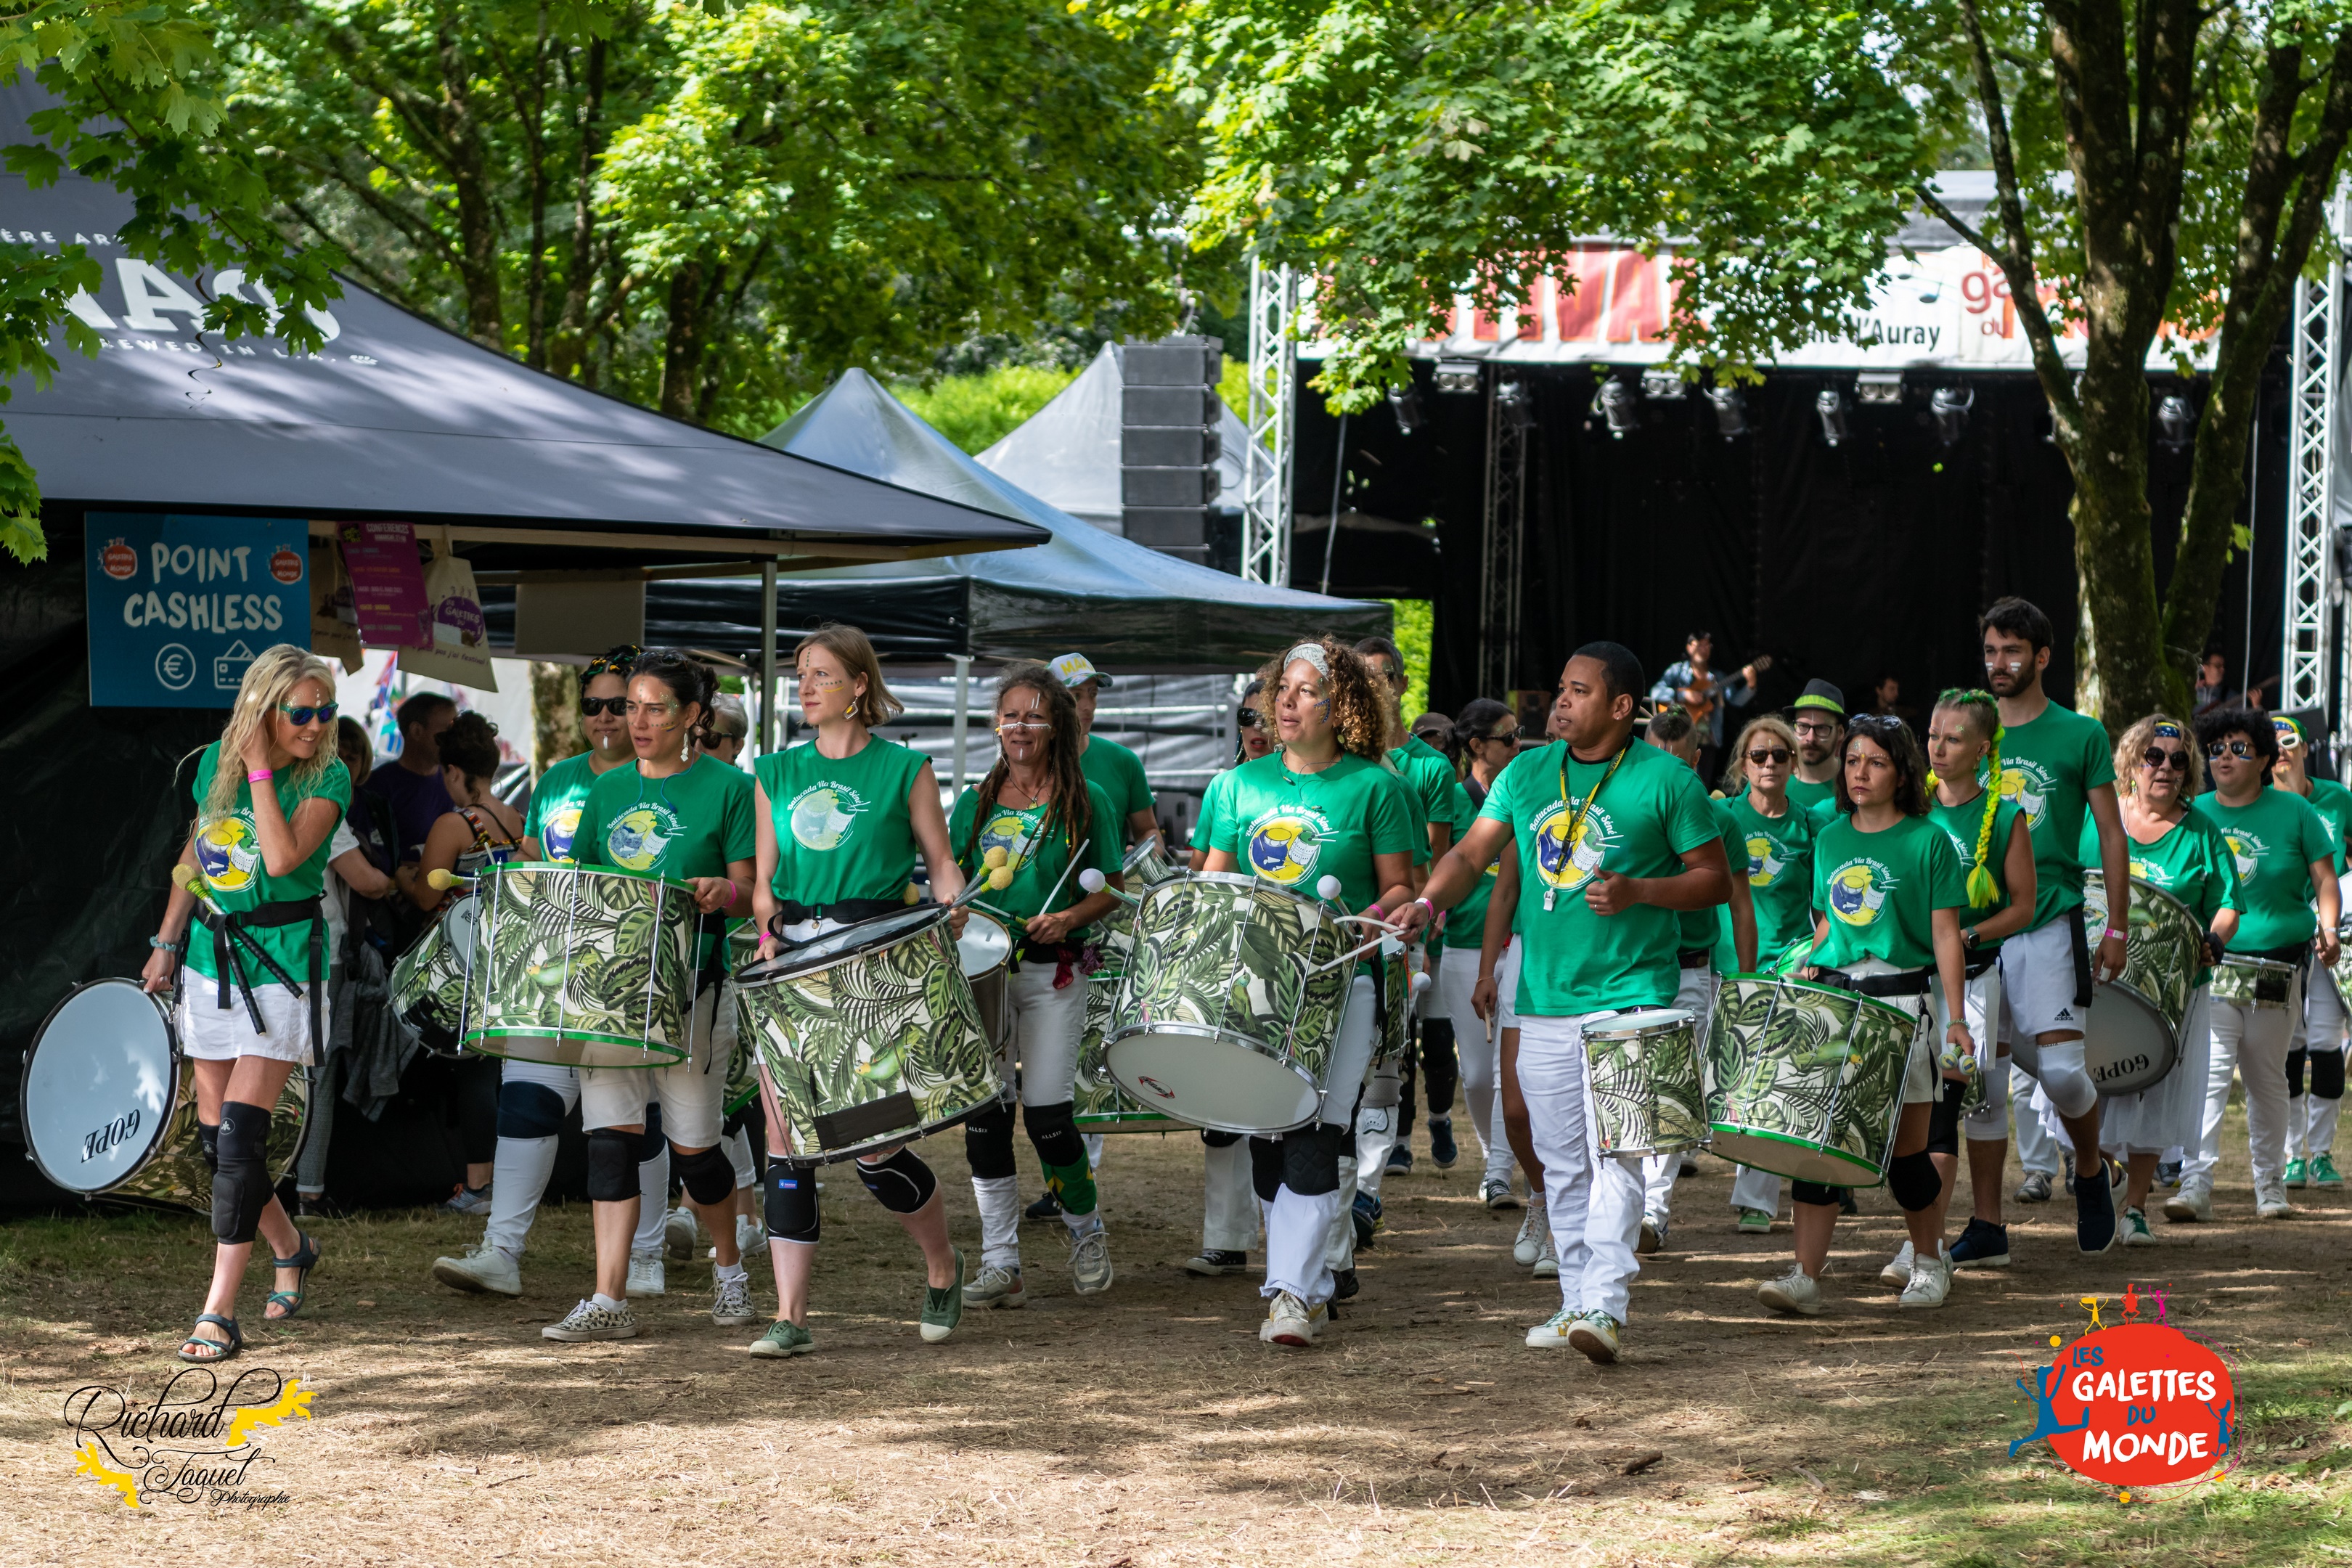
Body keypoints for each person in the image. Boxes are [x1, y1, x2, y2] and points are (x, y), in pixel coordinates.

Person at [1400, 643, 1732, 1363]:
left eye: (1579, 690)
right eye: (1561, 688)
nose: (1560, 701)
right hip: (1544, 999)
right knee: (1561, 1161)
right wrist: (1427, 902)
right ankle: (1577, 1301)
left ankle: (1605, 1306)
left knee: (1621, 1155)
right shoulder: (1525, 773)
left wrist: (1642, 890)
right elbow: (1468, 856)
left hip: (1638, 995)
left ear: (1620, 707)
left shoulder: (1668, 781)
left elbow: (1713, 879)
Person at [746, 624, 970, 1357]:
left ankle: (942, 1264)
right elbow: (765, 884)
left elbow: (940, 864)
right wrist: (770, 933)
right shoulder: (774, 772)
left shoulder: (907, 769)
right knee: (784, 1140)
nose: (806, 687)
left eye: (821, 675)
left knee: (872, 1144)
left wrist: (953, 901)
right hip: (794, 967)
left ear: (859, 687)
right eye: (801, 675)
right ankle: (792, 1315)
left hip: (876, 965)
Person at [430, 648, 680, 1300]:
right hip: (551, 971)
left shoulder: (666, 780)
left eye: (618, 704)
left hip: (630, 974)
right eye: (593, 704)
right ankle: (501, 1252)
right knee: (526, 1099)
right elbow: (538, 865)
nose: (605, 717)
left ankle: (647, 1256)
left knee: (636, 1117)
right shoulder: (558, 780)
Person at [1194, 637, 1417, 1347]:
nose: (1285, 702)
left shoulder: (1375, 787)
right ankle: (1310, 1281)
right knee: (1267, 1133)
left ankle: (1289, 1292)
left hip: (1343, 980)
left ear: (1342, 704)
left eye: (1304, 690)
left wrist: (1383, 917)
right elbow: (1214, 882)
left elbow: (1399, 886)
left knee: (1318, 1126)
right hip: (1257, 985)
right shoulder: (1236, 787)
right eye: (1279, 689)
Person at [539, 650, 758, 1344]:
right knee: (609, 1142)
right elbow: (585, 890)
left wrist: (728, 893)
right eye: (629, 706)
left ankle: (730, 1271)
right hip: (612, 990)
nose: (635, 721)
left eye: (654, 707)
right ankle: (608, 1297)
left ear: (694, 716)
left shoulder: (729, 788)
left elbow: (751, 890)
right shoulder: (604, 791)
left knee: (694, 1150)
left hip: (693, 986)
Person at [141, 646, 351, 1362]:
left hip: (285, 964)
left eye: (325, 711)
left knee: (239, 1141)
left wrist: (262, 768)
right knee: (214, 1144)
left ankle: (218, 1313)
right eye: (302, 712)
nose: (317, 724)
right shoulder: (212, 766)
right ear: (264, 710)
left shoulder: (330, 776)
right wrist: (167, 940)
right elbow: (196, 855)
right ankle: (291, 1247)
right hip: (210, 957)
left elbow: (285, 856)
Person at [1753, 714, 1978, 1315]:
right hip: (1834, 1003)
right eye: (1853, 760)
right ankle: (1805, 1275)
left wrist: (1957, 1019)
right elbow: (1829, 925)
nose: (1860, 772)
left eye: (1876, 762)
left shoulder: (1928, 841)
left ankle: (1929, 1263)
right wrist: (1803, 961)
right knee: (1815, 1142)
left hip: (1903, 1003)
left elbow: (1946, 934)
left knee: (1907, 1154)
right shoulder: (1829, 838)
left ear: (1902, 771)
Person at [947, 663, 1125, 1307]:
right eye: (1011, 714)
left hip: (1055, 972)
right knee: (986, 1118)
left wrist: (1069, 918)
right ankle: (1002, 1262)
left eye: (1034, 715)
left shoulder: (1088, 802)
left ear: (1058, 726)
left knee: (1049, 1118)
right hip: (984, 974)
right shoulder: (973, 801)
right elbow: (953, 883)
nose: (1020, 726)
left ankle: (1085, 1230)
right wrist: (956, 911)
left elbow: (1112, 890)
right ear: (997, 724)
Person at [1976, 596, 2133, 1254]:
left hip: (2049, 917)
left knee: (2066, 1074)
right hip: (1975, 928)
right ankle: (1987, 1227)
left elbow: (2111, 832)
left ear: (2042, 657)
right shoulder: (1970, 729)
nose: (1999, 664)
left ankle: (2093, 1170)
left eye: (2013, 651)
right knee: (1983, 1078)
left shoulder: (2081, 734)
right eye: (1990, 651)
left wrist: (2117, 927)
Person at [2063, 717, 2231, 1242]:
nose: (2166, 768)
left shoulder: (2201, 829)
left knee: (2156, 1091)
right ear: (2131, 763)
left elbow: (2226, 904)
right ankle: (2100, 1180)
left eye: (2179, 760)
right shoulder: (2100, 821)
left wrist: (2216, 939)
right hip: (2100, 980)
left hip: (2175, 989)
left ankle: (2135, 1208)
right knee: (2098, 1079)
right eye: (2153, 757)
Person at [2176, 708, 2341, 1220]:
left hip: (2278, 970)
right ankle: (2194, 1184)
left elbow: (2326, 882)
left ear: (2265, 757)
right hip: (2213, 966)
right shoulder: (2193, 812)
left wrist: (2330, 929)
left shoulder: (2296, 813)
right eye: (2218, 747)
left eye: (2239, 748)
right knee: (2210, 1074)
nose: (2225, 756)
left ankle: (2270, 1185)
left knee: (2268, 1079)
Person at [1907, 690, 2035, 1275]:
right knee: (1917, 1103)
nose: (1936, 747)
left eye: (1952, 738)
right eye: (1932, 734)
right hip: (1906, 981)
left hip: (1976, 980)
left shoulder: (2006, 816)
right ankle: (1926, 1236)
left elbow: (2024, 908)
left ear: (1983, 749)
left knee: (1961, 1098)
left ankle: (1975, 1230)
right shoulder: (1910, 806)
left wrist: (1968, 937)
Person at [399, 710, 531, 1214]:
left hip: (460, 963)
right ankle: (494, 1182)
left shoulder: (455, 824)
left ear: (454, 771)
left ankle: (479, 1186)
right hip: (505, 958)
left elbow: (428, 896)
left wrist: (402, 873)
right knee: (493, 1070)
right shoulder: (515, 822)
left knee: (470, 1072)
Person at [1636, 708, 1755, 1253]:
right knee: (1632, 1091)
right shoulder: (1628, 810)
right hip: (1628, 969)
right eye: (1654, 760)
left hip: (1689, 967)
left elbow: (1740, 903)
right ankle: (1623, 1205)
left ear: (1697, 761)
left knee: (1674, 1091)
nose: (1665, 774)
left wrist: (1746, 982)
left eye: (1677, 764)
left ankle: (1653, 1213)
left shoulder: (1721, 820)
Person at [1349, 636, 1450, 1210]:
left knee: (1385, 1058)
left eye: (1384, 677)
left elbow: (1422, 873)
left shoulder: (1407, 778)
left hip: (1389, 941)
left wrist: (1419, 939)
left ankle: (1366, 1188)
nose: (1374, 690)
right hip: (1322, 949)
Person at [1717, 714, 1819, 1233]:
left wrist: (1815, 953)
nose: (1770, 764)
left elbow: (1824, 904)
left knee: (1766, 1081)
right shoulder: (1721, 816)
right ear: (1742, 764)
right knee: (1724, 1082)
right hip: (1725, 963)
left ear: (1794, 763)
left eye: (1780, 755)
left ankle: (1756, 1197)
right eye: (1759, 756)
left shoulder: (1810, 824)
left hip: (1788, 963)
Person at [293, 717, 397, 1217]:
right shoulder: (322, 807)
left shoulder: (257, 799)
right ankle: (309, 1191)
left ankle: (251, 1183)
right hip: (319, 955)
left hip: (261, 955)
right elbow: (368, 883)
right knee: (319, 1076)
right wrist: (393, 880)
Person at [1437, 701, 1524, 1222]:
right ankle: (1497, 1156)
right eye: (1508, 738)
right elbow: (1442, 859)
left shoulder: (1526, 791)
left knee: (1502, 1070)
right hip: (1462, 944)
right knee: (1473, 1074)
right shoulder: (1454, 797)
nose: (1518, 746)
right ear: (1477, 747)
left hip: (1513, 946)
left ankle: (1499, 1170)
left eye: (1519, 736)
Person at [2271, 716, 2352, 1188]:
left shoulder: (2337, 798)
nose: (2281, 751)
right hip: (2279, 940)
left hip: (2329, 938)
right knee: (2285, 1049)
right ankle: (2290, 1155)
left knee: (2325, 1046)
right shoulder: (2255, 803)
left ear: (2305, 747)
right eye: (2272, 743)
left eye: (2289, 741)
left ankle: (2320, 1154)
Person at [1049, 652, 1159, 848]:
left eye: (1093, 694)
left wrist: (1147, 854)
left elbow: (1148, 830)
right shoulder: (1023, 765)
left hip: (1110, 879)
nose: (1088, 706)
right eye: (1076, 696)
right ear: (1048, 703)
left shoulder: (1123, 761)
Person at [364, 690, 457, 862]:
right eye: (446, 733)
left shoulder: (456, 781)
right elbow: (367, 852)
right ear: (416, 731)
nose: (455, 740)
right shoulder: (378, 786)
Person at [1646, 631, 1761, 769]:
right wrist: (1684, 695)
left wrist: (1750, 685)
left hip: (1707, 740)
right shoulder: (1678, 671)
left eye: (1708, 646)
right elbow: (1656, 692)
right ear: (1689, 648)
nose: (1704, 649)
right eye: (1700, 645)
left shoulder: (1717, 677)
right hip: (1679, 736)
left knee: (1702, 782)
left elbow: (1736, 700)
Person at [1785, 680, 1846, 822]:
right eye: (1803, 727)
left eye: (1822, 729)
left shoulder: (1856, 783)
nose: (1810, 738)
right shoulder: (1770, 779)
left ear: (1840, 732)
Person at [704, 694, 750, 769]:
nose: (696, 749)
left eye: (711, 739)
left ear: (737, 746)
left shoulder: (749, 780)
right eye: (691, 738)